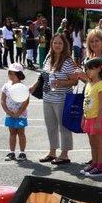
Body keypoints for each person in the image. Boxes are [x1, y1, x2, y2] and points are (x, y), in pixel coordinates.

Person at [36, 33, 78, 165]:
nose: (57, 45)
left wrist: (62, 82)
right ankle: (52, 152)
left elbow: (75, 81)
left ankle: (64, 154)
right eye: (55, 43)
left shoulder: (68, 61)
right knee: (51, 126)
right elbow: (43, 76)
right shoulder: (48, 58)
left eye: (60, 43)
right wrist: (34, 87)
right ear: (51, 44)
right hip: (47, 97)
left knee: (64, 127)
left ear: (64, 45)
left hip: (62, 99)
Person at [77, 29, 102, 167]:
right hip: (89, 99)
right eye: (91, 41)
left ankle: (100, 163)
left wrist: (85, 77)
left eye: (96, 40)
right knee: (91, 132)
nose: (94, 43)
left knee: (98, 132)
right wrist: (82, 77)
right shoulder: (88, 58)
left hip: (101, 100)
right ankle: (95, 159)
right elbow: (90, 81)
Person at [80, 57, 102, 177]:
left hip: (98, 118)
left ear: (98, 69)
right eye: (86, 69)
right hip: (89, 118)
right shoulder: (89, 84)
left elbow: (101, 104)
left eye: (90, 69)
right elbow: (86, 102)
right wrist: (84, 117)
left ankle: (100, 166)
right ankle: (94, 163)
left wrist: (98, 120)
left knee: (100, 143)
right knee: (92, 143)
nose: (88, 72)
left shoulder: (101, 85)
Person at [1, 62, 29, 161]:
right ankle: (11, 152)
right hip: (9, 115)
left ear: (19, 75)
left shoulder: (23, 88)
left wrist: (18, 113)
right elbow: (2, 100)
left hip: (21, 115)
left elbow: (26, 102)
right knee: (12, 133)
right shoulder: (6, 86)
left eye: (14, 74)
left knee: (21, 132)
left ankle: (22, 153)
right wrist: (8, 112)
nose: (11, 76)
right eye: (10, 73)